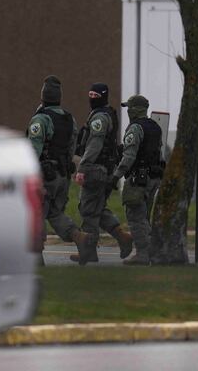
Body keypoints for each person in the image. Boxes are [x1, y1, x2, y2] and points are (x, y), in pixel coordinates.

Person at [26, 75, 93, 265]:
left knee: (35, 213)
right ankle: (79, 237)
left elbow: (33, 152)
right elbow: (72, 147)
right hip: (62, 175)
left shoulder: (40, 120)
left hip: (44, 176)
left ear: (43, 97)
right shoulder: (68, 118)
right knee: (55, 213)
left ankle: (36, 258)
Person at [70, 82, 133, 264]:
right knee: (97, 208)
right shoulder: (103, 115)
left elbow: (94, 145)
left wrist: (83, 167)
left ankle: (88, 251)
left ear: (103, 97)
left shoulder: (100, 118)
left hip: (95, 168)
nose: (92, 98)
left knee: (88, 210)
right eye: (90, 94)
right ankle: (122, 237)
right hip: (102, 168)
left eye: (96, 96)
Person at [108, 95, 164, 265]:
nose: (128, 111)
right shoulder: (155, 126)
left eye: (129, 108)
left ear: (134, 109)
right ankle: (155, 251)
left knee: (135, 216)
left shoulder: (135, 128)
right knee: (145, 216)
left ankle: (143, 254)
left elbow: (129, 157)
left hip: (138, 179)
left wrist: (116, 176)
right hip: (154, 177)